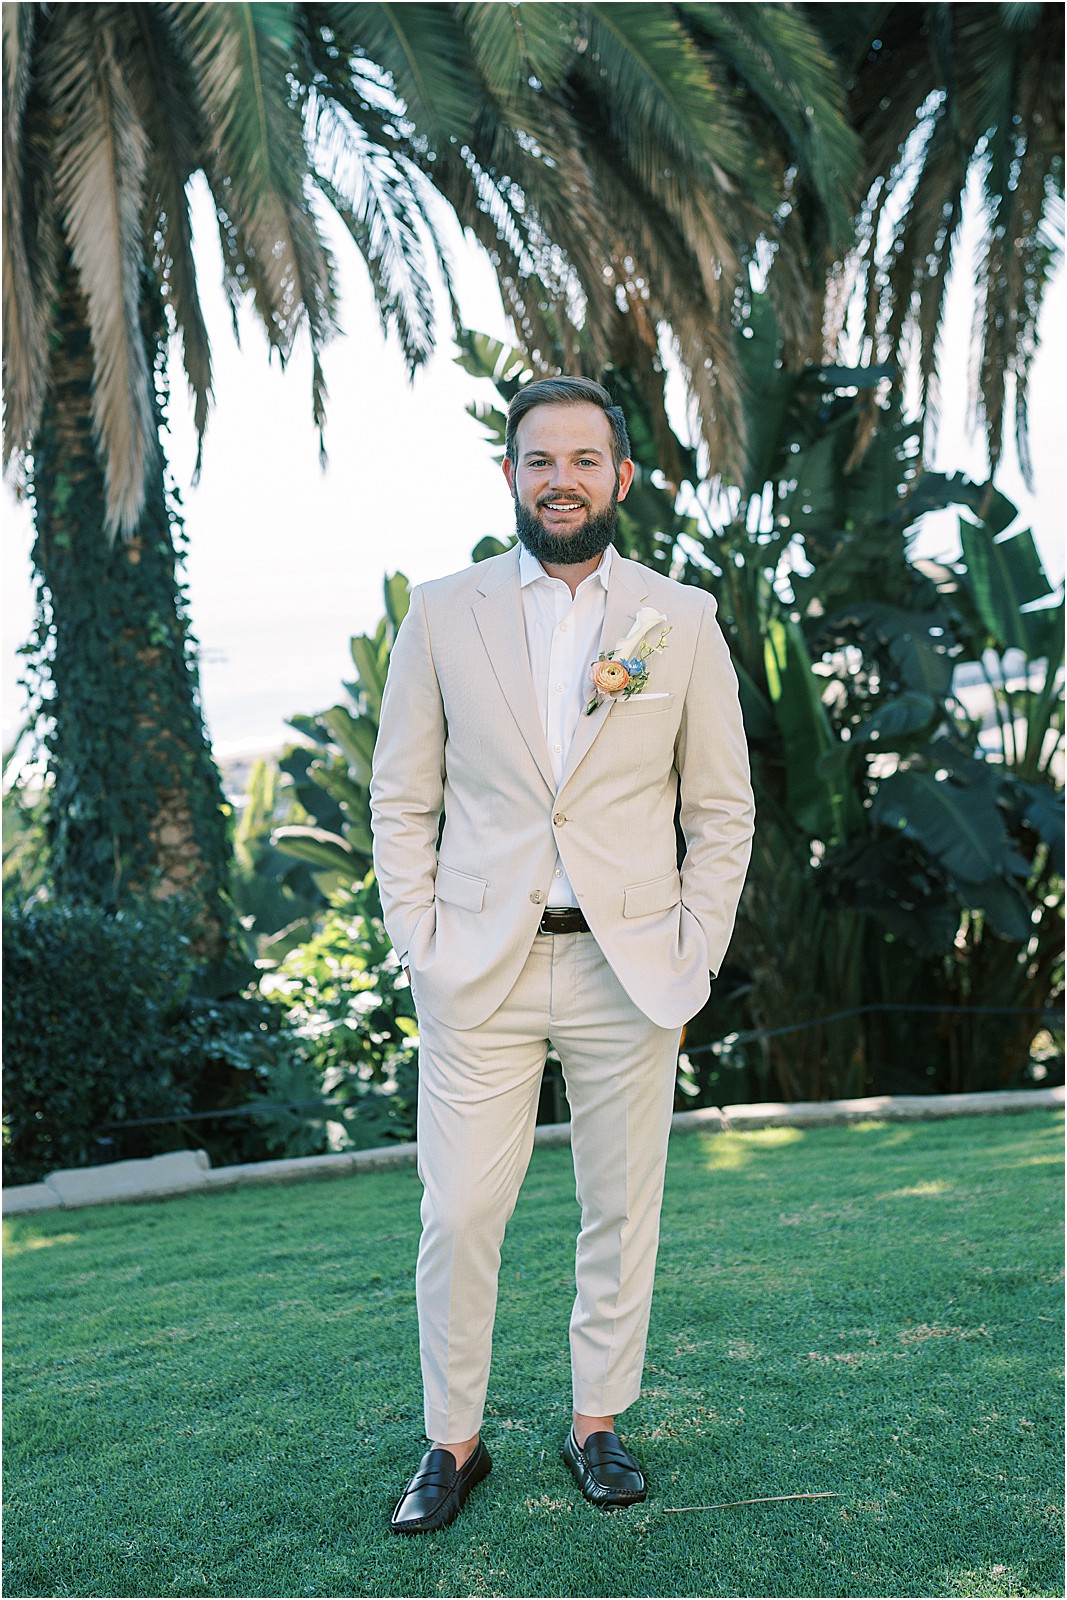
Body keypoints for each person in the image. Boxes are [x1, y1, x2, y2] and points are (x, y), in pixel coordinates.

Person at [370, 376, 754, 1534]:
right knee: (458, 1211)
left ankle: (596, 1424)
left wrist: (689, 957)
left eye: (584, 459)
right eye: (539, 459)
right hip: (475, 969)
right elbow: (401, 799)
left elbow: (721, 809)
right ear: (509, 477)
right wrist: (423, 947)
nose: (562, 479)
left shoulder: (677, 618)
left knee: (619, 1207)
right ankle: (452, 1442)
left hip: (626, 968)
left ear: (621, 477)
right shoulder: (441, 612)